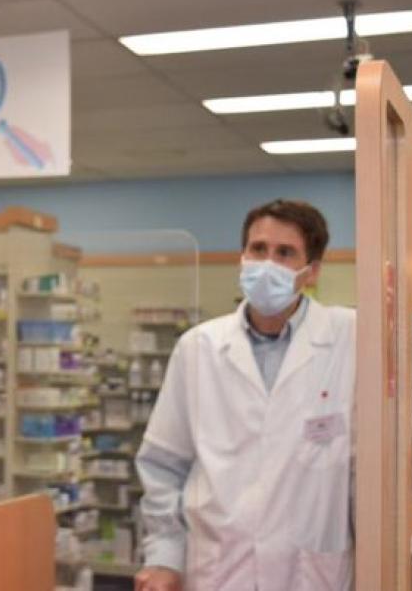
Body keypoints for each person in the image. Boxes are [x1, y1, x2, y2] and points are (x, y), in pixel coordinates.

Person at [134, 200, 355, 591]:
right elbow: (164, 465)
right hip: (219, 570)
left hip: (309, 573)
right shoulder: (198, 348)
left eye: (285, 253)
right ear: (242, 257)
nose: (266, 263)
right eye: (258, 250)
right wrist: (165, 557)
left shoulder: (350, 338)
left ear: (312, 271)